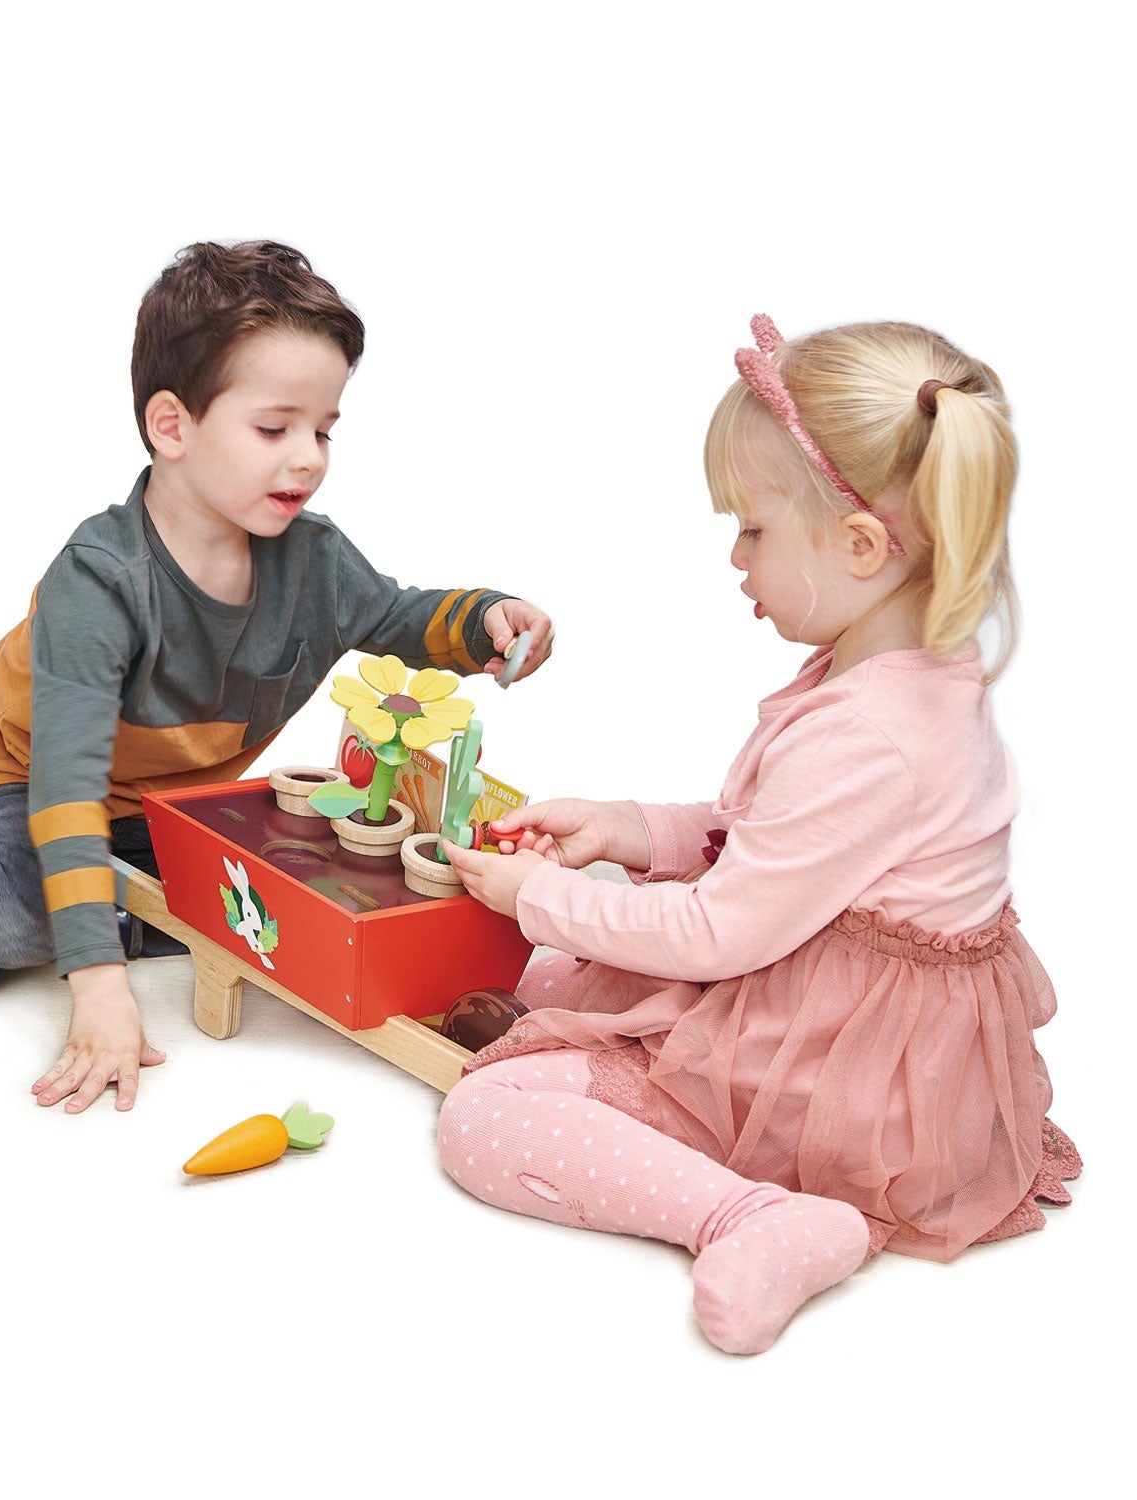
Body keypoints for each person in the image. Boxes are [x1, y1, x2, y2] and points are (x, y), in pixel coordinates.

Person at [0, 240, 553, 1114]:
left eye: (323, 430)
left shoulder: (315, 561)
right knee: (30, 909)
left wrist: (483, 619)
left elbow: (398, 615)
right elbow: (63, 790)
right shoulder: (101, 582)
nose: (309, 458)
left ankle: (26, 929)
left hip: (149, 806)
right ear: (171, 426)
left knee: (257, 893)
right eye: (274, 429)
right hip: (17, 778)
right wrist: (99, 984)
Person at [439, 315, 1078, 1355]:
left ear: (860, 546)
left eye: (754, 530)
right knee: (565, 973)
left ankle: (752, 1216)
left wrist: (543, 896)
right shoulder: (892, 675)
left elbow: (719, 935)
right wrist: (631, 831)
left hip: (841, 1082)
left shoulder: (874, 734)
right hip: (838, 1010)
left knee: (485, 1116)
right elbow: (781, 844)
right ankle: (585, 1047)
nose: (736, 556)